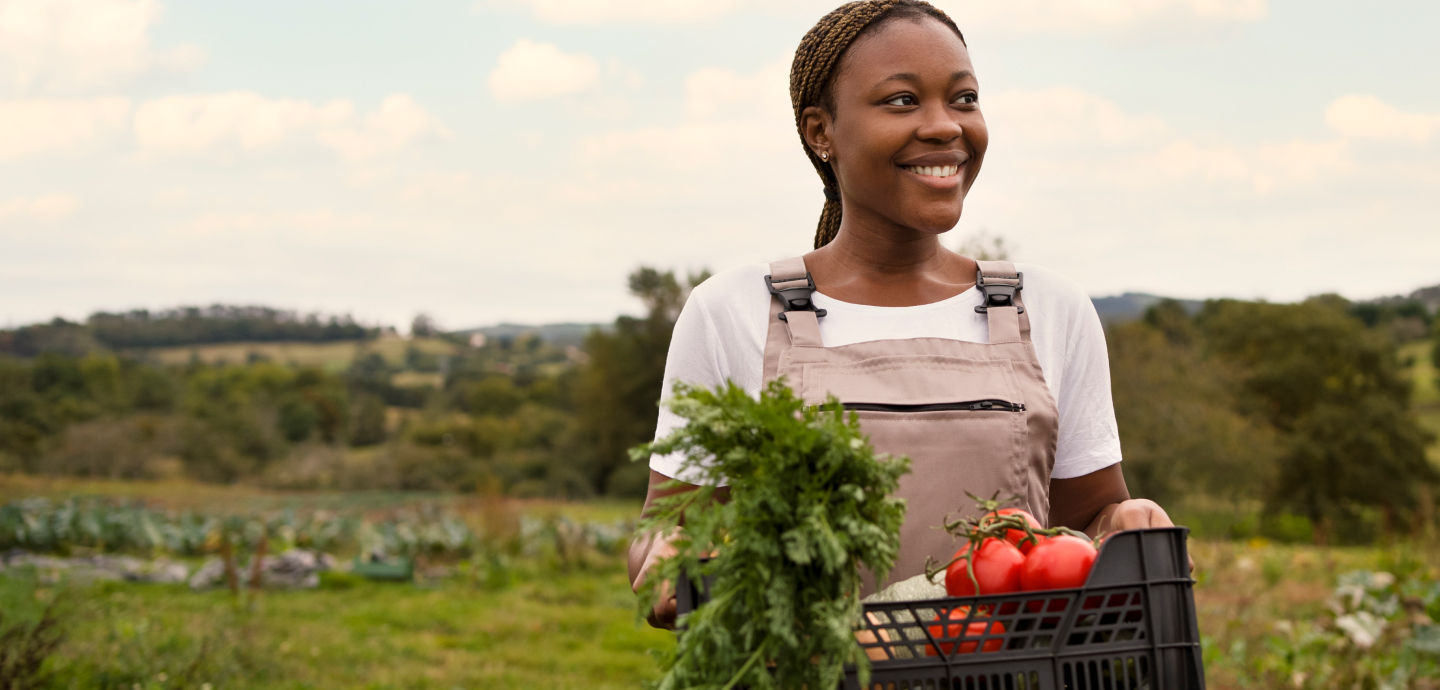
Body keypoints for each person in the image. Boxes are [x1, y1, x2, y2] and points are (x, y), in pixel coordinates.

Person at [628, 0, 1180, 629]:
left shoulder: (1051, 309)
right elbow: (663, 530)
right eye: (901, 101)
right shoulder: (732, 311)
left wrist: (1127, 522)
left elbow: (1090, 518)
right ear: (820, 132)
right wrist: (670, 555)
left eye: (964, 98)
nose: (945, 126)